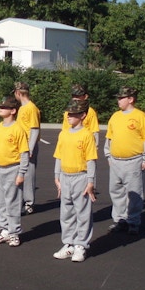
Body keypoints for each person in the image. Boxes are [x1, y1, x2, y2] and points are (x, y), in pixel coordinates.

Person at [104, 86, 145, 235]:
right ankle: (120, 220)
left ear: (130, 99)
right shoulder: (115, 116)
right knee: (116, 192)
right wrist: (108, 155)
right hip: (115, 161)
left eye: (121, 98)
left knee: (134, 193)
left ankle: (133, 222)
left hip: (133, 161)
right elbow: (109, 137)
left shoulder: (140, 116)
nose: (118, 100)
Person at [53, 99, 97, 262]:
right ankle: (69, 244)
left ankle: (81, 245)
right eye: (68, 113)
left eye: (73, 114)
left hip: (81, 177)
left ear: (82, 115)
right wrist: (57, 176)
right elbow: (58, 155)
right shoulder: (63, 134)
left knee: (83, 213)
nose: (69, 116)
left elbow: (91, 160)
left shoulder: (87, 135)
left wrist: (90, 182)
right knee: (67, 212)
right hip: (65, 177)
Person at [0, 96, 29, 247]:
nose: (1, 109)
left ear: (13, 111)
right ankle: (4, 230)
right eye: (0, 106)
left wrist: (21, 173)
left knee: (13, 202)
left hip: (13, 169)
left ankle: (14, 233)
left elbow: (24, 153)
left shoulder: (18, 129)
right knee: (1, 203)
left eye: (4, 107)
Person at [12, 81, 41, 215]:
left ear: (18, 93)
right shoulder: (23, 108)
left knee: (28, 174)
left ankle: (29, 202)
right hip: (21, 146)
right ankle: (22, 200)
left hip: (28, 146)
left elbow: (34, 129)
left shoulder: (31, 108)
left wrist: (30, 148)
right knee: (21, 172)